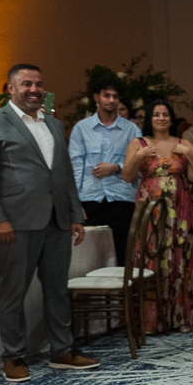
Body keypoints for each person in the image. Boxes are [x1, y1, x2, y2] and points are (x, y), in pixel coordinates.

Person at [0, 64, 95, 382]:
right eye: (26, 84)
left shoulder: (53, 124)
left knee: (57, 290)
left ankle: (62, 351)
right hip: (15, 223)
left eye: (38, 84)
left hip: (57, 221)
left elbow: (63, 173)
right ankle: (13, 356)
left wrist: (74, 214)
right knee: (14, 291)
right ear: (9, 88)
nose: (34, 90)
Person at [122, 100, 193, 333]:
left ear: (171, 118)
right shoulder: (138, 143)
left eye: (165, 114)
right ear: (149, 119)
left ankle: (181, 318)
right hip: (151, 213)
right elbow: (127, 177)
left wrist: (189, 153)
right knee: (152, 260)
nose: (161, 118)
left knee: (181, 260)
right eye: (156, 114)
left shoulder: (183, 143)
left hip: (181, 212)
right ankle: (151, 320)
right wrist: (138, 156)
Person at [68, 75, 140, 267]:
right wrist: (76, 205)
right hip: (91, 200)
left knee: (124, 255)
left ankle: (125, 296)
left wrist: (116, 167)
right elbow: (75, 169)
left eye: (115, 96)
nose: (111, 100)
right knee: (92, 258)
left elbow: (140, 167)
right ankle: (96, 297)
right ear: (96, 97)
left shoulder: (131, 130)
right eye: (106, 95)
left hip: (122, 200)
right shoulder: (81, 129)